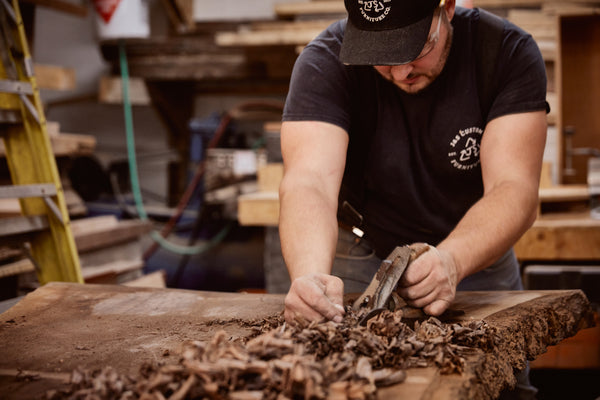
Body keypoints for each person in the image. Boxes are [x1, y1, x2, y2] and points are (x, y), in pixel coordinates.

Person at [278, 0, 549, 396]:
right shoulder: (324, 60)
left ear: (448, 8)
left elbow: (515, 189)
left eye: (417, 49)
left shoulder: (505, 52)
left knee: (499, 382)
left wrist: (453, 261)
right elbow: (310, 181)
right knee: (342, 377)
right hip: (363, 244)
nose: (402, 72)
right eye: (382, 58)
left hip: (474, 247)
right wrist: (309, 276)